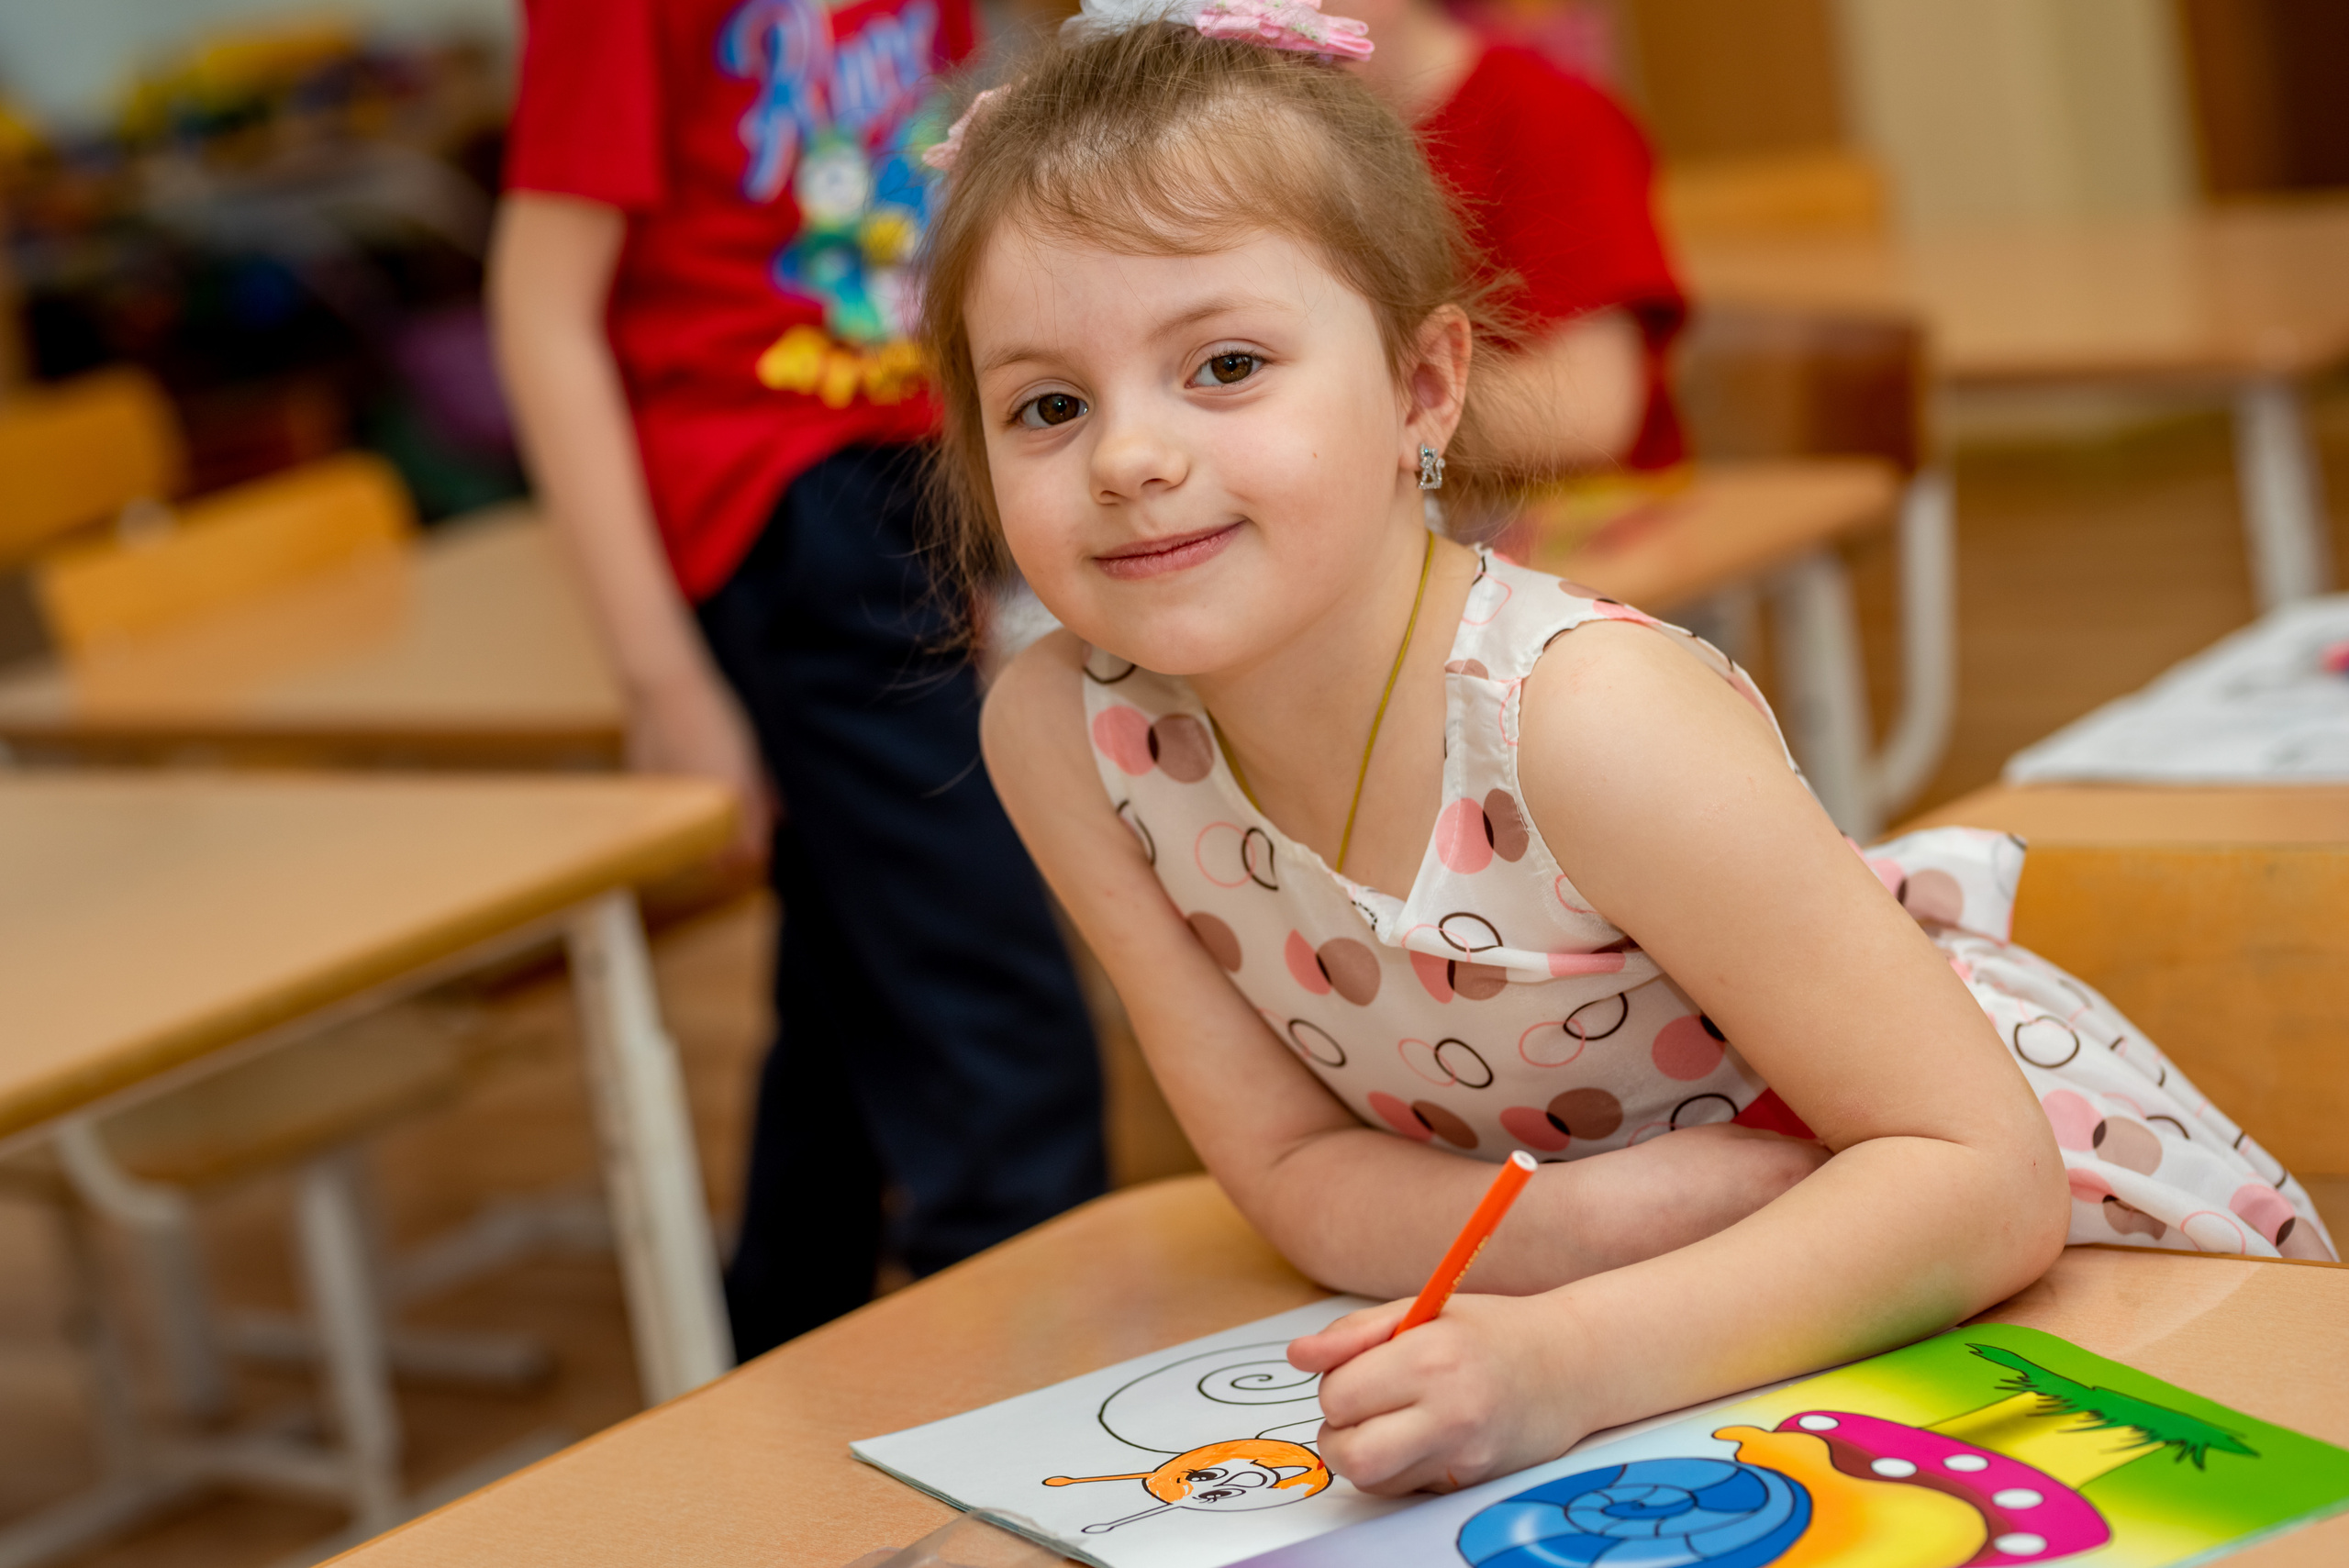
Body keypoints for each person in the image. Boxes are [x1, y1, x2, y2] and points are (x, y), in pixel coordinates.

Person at [923, 7, 2341, 1497]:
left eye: (1223, 363)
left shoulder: (1585, 715)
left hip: (2059, 1298)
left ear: (1424, 388)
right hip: (1677, 1337)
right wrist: (1581, 1237)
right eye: (1049, 404)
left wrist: (1575, 1352)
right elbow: (1282, 1169)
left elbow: (1984, 1177)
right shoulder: (1065, 736)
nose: (1129, 456)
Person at [487, 0, 1107, 1362]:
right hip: (788, 509)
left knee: (862, 967)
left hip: (922, 469)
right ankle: (1045, 1407)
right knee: (1003, 1045)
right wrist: (664, 678)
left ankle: (768, 1345)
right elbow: (541, 315)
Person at [1350, 0, 1687, 479]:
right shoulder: (1263, 147)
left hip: (1579, 515)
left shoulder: (1551, 114)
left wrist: (1363, 418)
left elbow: (1592, 411)